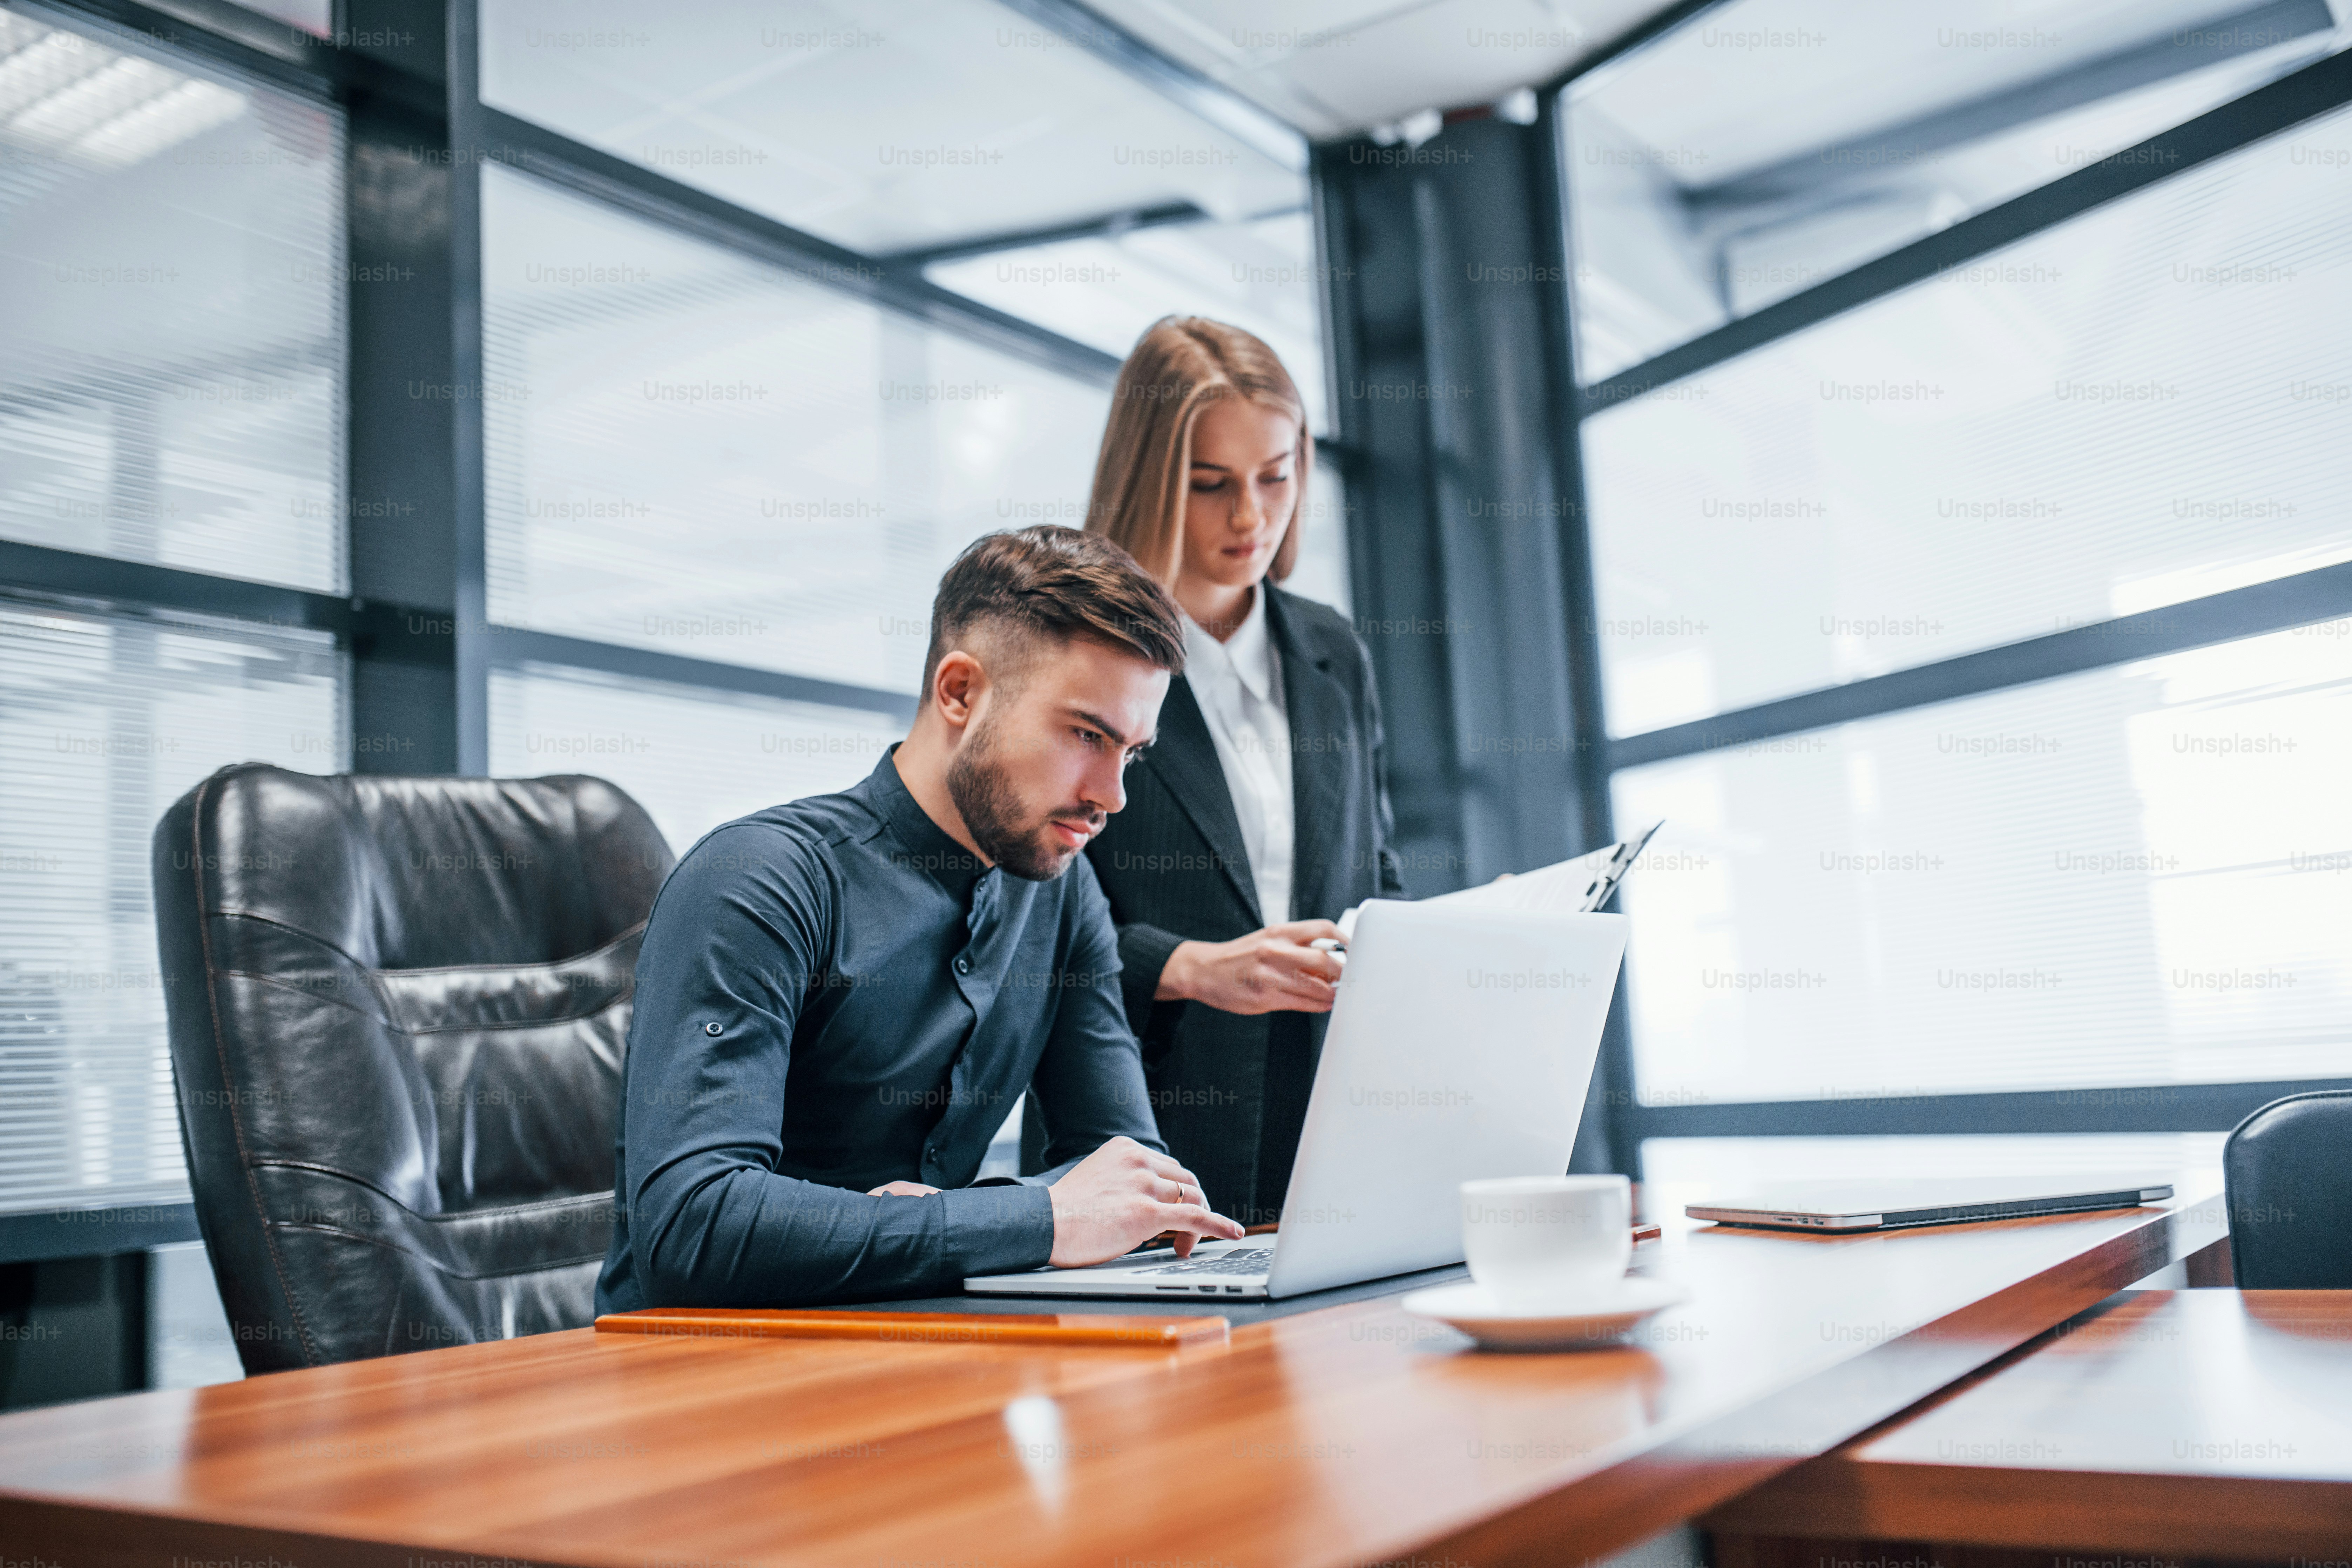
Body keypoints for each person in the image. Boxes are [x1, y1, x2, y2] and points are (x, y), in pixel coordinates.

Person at [596, 526, 1245, 1311]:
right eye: (1086, 735)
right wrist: (1033, 1215)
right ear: (960, 692)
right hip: (704, 1380)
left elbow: (1131, 1173)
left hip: (923, 1353)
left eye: (1131, 751)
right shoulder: (755, 883)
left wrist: (966, 1219)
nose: (1113, 795)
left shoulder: (1061, 891)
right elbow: (694, 1228)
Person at [1069, 316, 1406, 1229]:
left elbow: (1372, 867)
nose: (1251, 518)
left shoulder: (1333, 652)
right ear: (1148, 477)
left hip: (1333, 1116)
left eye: (1275, 476)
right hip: (1150, 1119)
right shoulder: (1075, 654)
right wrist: (1188, 966)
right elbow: (1025, 917)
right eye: (1210, 484)